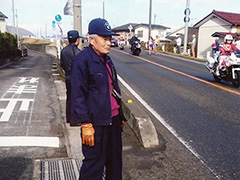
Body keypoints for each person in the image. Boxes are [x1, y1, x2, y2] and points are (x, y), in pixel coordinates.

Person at [71, 18, 124, 180]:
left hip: (113, 120)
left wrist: (120, 115)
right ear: (92, 39)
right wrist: (85, 123)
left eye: (110, 39)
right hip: (95, 123)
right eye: (104, 39)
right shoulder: (82, 60)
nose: (109, 43)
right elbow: (77, 94)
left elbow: (114, 88)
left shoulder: (107, 59)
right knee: (93, 166)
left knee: (115, 164)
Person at [60, 30, 81, 126]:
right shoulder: (77, 52)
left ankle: (68, 118)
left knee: (69, 97)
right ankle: (74, 120)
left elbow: (62, 64)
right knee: (76, 98)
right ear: (77, 40)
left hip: (68, 76)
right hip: (76, 77)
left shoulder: (64, 51)